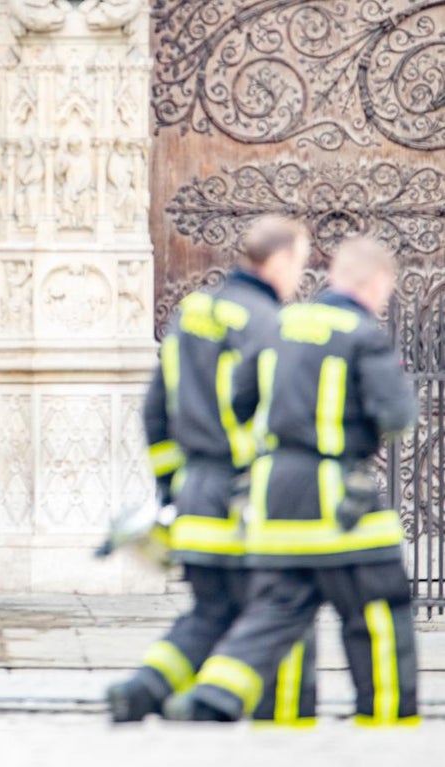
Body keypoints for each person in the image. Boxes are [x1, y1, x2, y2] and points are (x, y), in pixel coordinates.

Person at [164, 236, 419, 725]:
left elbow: (239, 400)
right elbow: (398, 415)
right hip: (335, 491)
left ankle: (224, 696)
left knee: (278, 611)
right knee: (378, 608)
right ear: (377, 282)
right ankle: (386, 720)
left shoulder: (280, 324)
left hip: (273, 495)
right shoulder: (361, 333)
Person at [107, 216, 315, 723]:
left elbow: (156, 411)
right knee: (280, 608)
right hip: (247, 498)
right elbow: (271, 411)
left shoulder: (193, 311)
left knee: (211, 610)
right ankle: (271, 714)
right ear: (281, 260)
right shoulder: (269, 322)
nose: (299, 276)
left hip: (196, 494)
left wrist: (171, 486)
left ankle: (143, 687)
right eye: (301, 264)